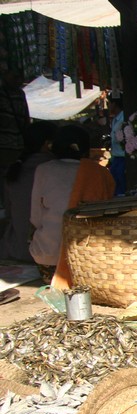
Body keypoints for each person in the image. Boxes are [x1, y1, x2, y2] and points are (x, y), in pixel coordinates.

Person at [29, 125, 115, 284]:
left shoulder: (43, 170)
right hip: (89, 260)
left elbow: (35, 219)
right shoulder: (100, 173)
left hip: (48, 258)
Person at [0, 121, 58, 261]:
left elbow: (9, 212)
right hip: (48, 254)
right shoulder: (55, 168)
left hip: (14, 249)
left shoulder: (15, 169)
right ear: (47, 144)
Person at [0, 67, 30, 182]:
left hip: (7, 146)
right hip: (16, 147)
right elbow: (26, 120)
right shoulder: (20, 94)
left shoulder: (17, 94)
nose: (18, 80)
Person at [108, 95, 126, 196]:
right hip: (115, 158)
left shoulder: (124, 117)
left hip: (122, 159)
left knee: (121, 189)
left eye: (109, 103)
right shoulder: (115, 119)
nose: (108, 106)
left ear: (114, 104)